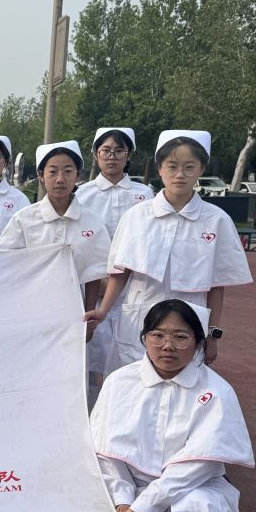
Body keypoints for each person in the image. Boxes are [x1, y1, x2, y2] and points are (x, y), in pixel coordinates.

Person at [90, 298, 253, 512]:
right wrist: (123, 503)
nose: (168, 346)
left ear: (198, 342)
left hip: (194, 487)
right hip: (132, 489)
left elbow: (199, 466)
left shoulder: (216, 390)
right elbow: (106, 454)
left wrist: (143, 510)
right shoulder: (120, 382)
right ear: (144, 338)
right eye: (158, 335)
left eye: (181, 337)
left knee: (197, 508)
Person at [84, 131, 252, 372]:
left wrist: (212, 334)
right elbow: (121, 272)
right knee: (130, 381)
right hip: (139, 317)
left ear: (201, 169)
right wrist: (103, 311)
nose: (180, 174)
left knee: (182, 386)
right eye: (172, 166)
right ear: (160, 168)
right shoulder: (137, 216)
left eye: (189, 167)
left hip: (190, 320)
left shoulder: (217, 220)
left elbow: (216, 284)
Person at [76, 128, 155, 398]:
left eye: (119, 151)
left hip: (132, 289)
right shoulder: (83, 194)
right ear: (96, 155)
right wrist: (97, 279)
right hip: (92, 287)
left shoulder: (145, 194)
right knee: (90, 357)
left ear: (128, 155)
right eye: (106, 151)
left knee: (130, 358)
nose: (112, 157)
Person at [0, 141, 111, 312]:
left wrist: (89, 314)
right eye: (52, 172)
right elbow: (8, 265)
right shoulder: (23, 220)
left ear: (78, 175)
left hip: (74, 310)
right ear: (41, 176)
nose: (60, 179)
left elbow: (94, 274)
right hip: (30, 307)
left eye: (68, 171)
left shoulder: (92, 221)